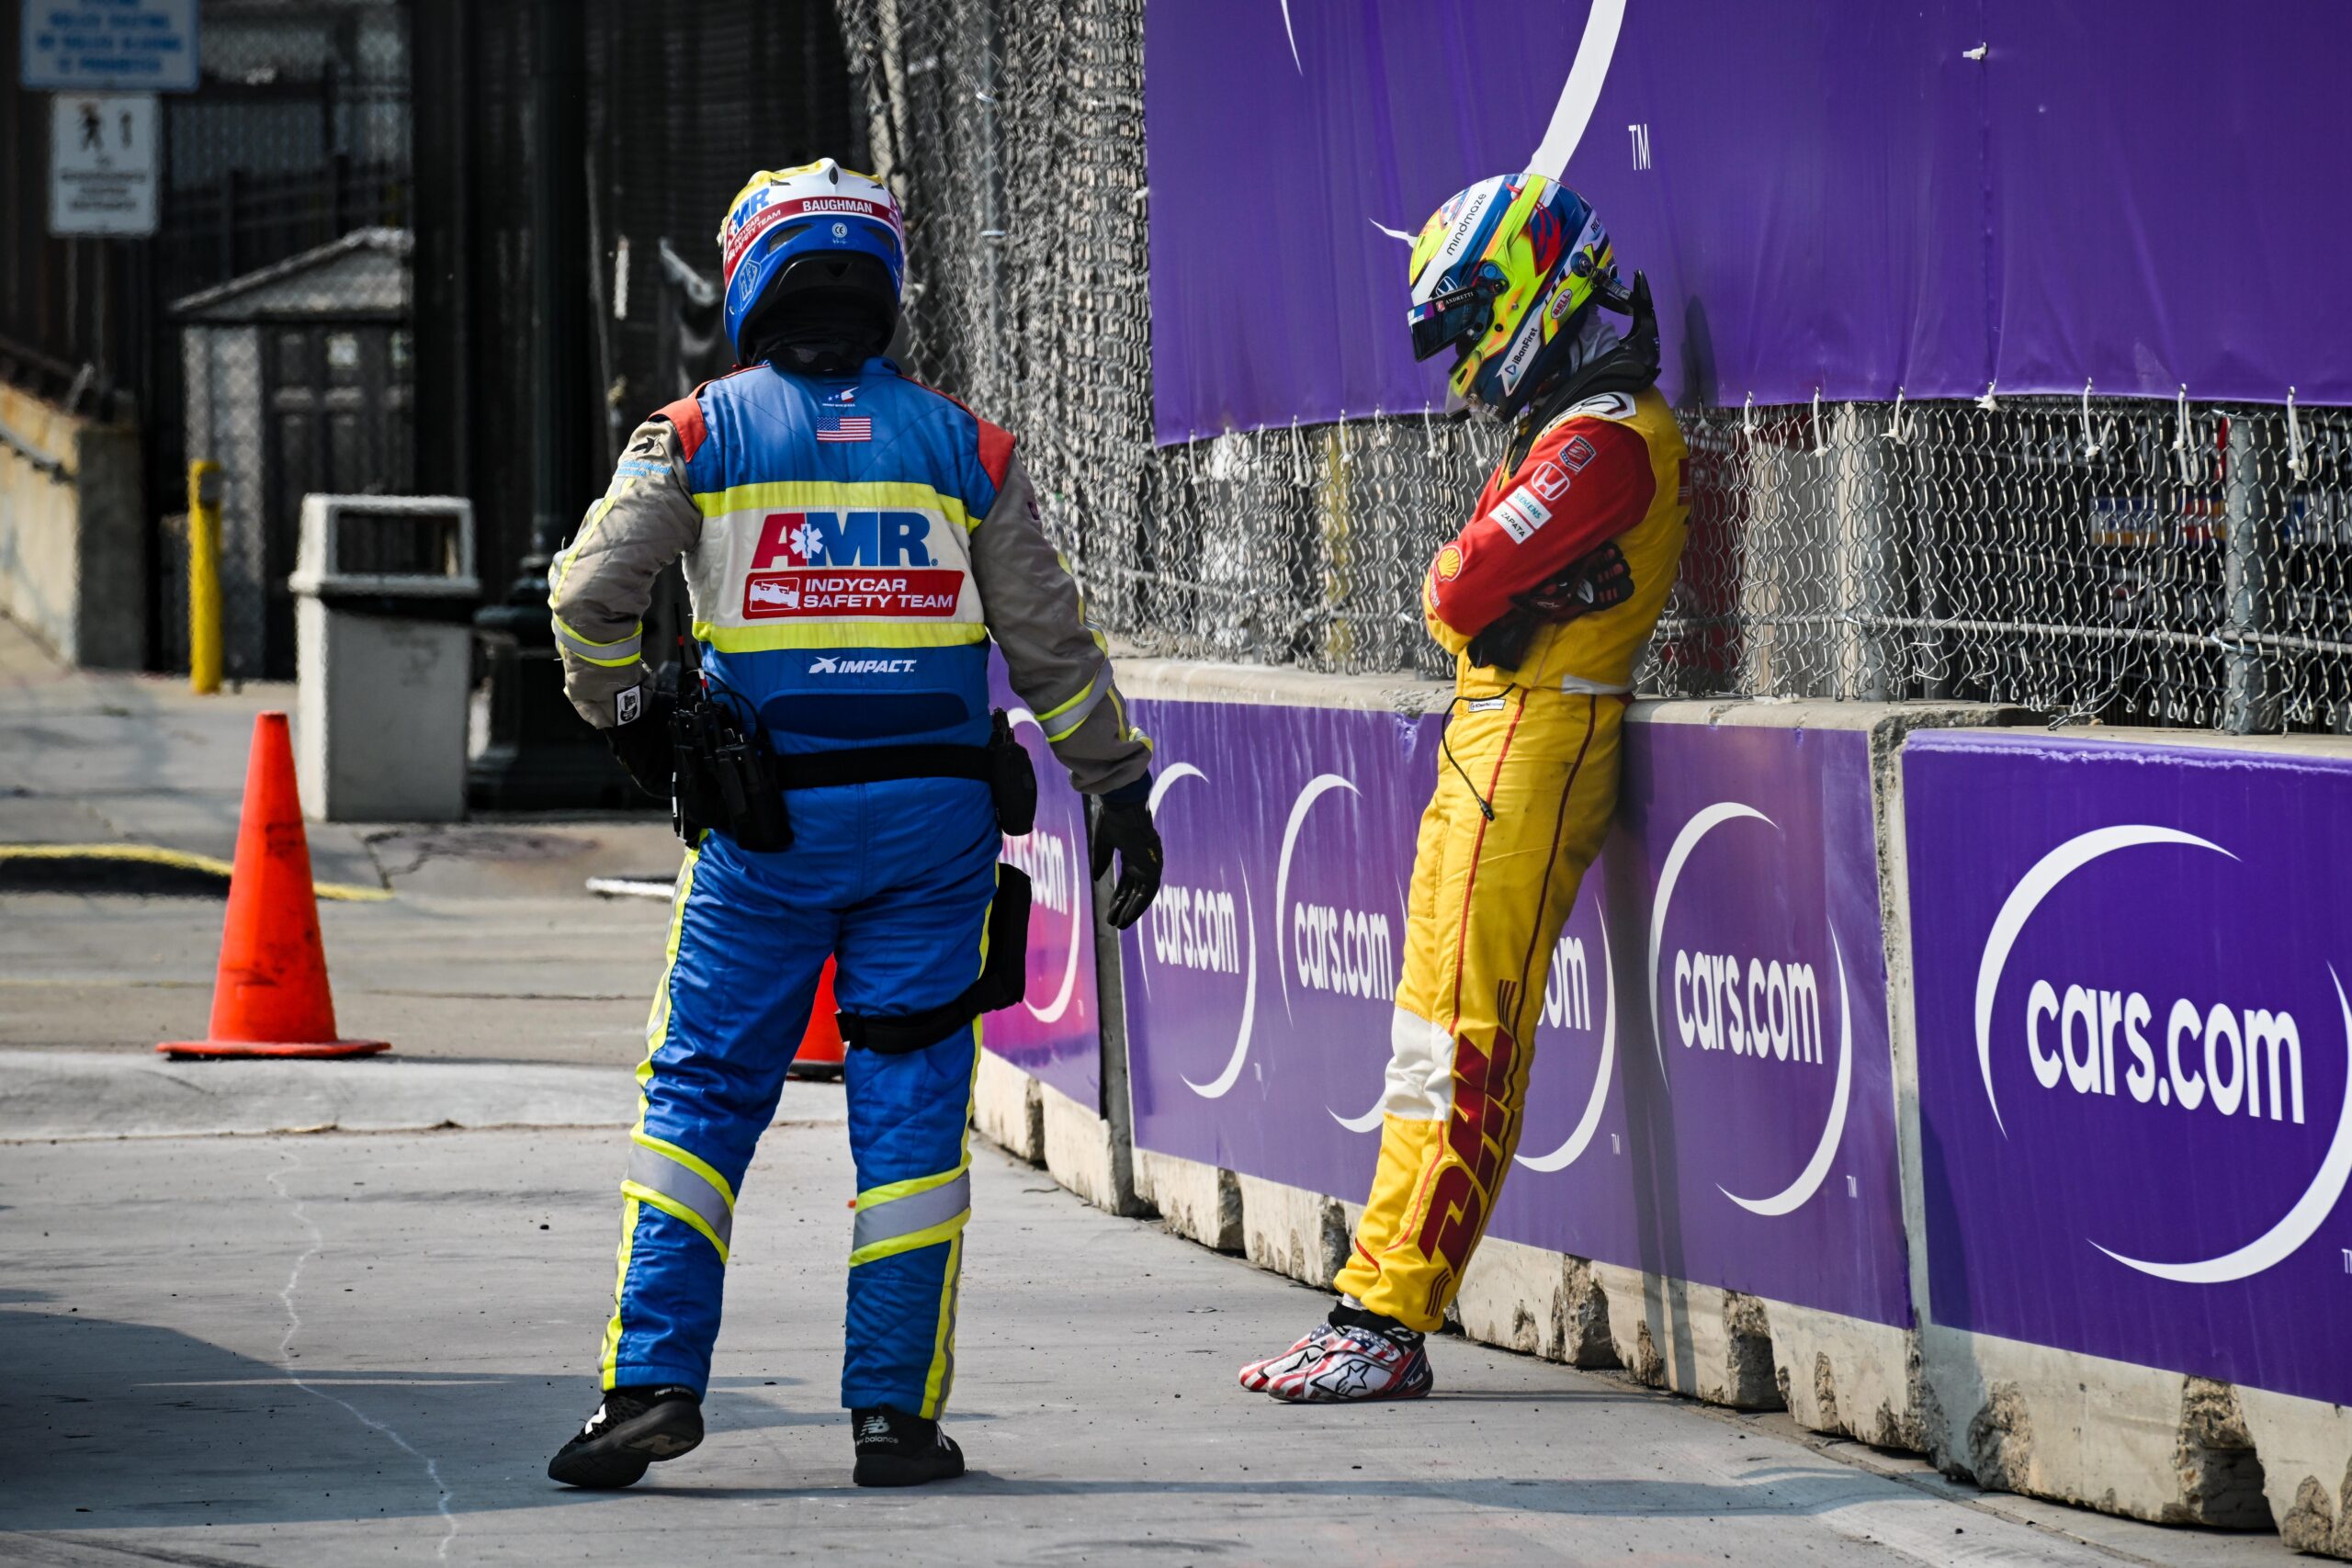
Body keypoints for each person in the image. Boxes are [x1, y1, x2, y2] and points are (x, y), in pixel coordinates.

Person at [541, 159, 1162, 1486]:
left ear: (752, 276)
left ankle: (651, 1385)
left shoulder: (697, 434)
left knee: (702, 1096)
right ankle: (894, 1418)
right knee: (914, 1119)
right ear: (884, 283)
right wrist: (1116, 784)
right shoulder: (966, 446)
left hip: (765, 839)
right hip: (939, 836)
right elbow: (1051, 644)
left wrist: (629, 716)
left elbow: (590, 596)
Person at [1238, 174, 1689, 1402]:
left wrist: (1491, 597)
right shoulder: (1560, 432)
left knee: (1472, 1037)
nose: (1464, 358)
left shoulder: (1607, 435)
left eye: (1471, 319)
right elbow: (1467, 600)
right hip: (1486, 737)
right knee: (1423, 1041)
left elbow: (1456, 587)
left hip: (1541, 742)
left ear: (1536, 280)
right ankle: (1368, 1293)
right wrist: (1491, 598)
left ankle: (1391, 1320)